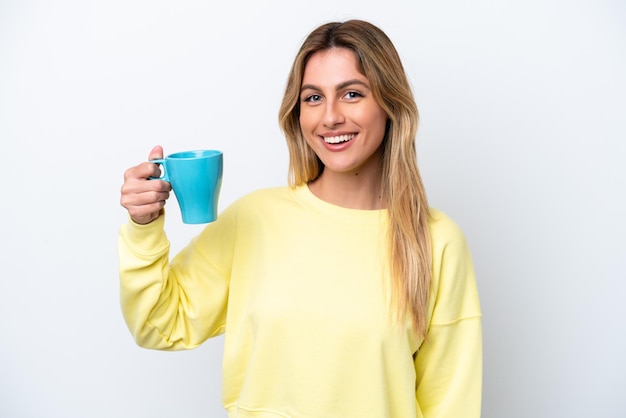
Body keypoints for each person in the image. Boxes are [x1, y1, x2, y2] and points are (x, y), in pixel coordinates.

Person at [119, 19, 482, 418]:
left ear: (390, 104)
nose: (330, 117)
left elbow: (451, 405)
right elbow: (157, 323)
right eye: (313, 98)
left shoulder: (437, 241)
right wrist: (144, 227)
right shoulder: (253, 219)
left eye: (352, 93)